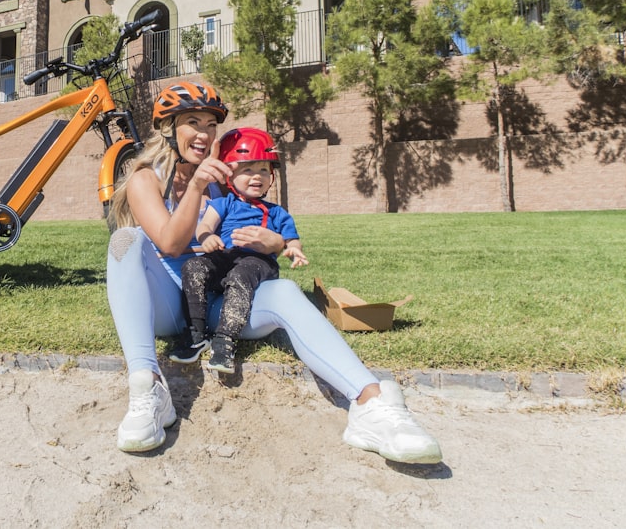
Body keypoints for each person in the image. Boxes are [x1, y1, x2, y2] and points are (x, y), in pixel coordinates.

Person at [105, 81, 442, 464]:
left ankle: (372, 404)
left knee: (283, 292)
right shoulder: (145, 178)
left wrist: (275, 245)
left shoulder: (223, 181)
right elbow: (170, 243)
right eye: (192, 122)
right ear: (167, 128)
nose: (203, 133)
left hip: (220, 300)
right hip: (169, 302)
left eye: (210, 125)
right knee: (126, 240)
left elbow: (260, 233)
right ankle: (147, 389)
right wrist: (198, 185)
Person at [169, 127, 308, 374]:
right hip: (225, 256)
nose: (257, 177)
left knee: (240, 275)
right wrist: (207, 237)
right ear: (230, 177)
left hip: (258, 262)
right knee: (193, 267)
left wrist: (293, 250)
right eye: (248, 170)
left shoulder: (277, 212)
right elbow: (205, 226)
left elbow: (291, 240)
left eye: (264, 170)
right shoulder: (223, 203)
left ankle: (225, 341)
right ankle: (195, 334)